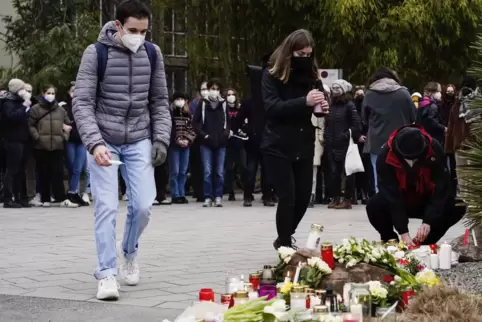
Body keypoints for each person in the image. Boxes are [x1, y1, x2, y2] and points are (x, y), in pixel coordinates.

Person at [73, 0, 171, 300]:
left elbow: (159, 101)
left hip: (139, 137)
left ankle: (128, 252)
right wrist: (94, 143)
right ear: (118, 26)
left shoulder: (153, 54)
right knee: (106, 206)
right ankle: (106, 274)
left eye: (144, 31)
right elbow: (82, 102)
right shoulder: (96, 53)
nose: (138, 36)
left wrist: (161, 139)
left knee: (143, 206)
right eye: (132, 30)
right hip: (104, 138)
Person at [262, 29, 328, 249]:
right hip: (277, 143)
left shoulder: (312, 75)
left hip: (304, 142)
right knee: (287, 197)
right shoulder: (272, 75)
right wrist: (304, 102)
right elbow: (272, 109)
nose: (305, 58)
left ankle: (284, 235)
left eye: (309, 53)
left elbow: (316, 103)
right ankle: (285, 246)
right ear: (290, 52)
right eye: (301, 53)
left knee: (302, 199)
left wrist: (321, 107)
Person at [366, 125, 466, 245]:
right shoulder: (385, 155)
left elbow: (441, 188)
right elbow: (391, 196)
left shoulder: (434, 148)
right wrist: (403, 232)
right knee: (374, 205)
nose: (412, 162)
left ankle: (425, 242)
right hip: (401, 200)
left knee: (457, 206)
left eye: (416, 158)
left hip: (425, 199)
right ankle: (390, 241)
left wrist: (428, 222)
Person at [362, 67, 416, 193]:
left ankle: (381, 205)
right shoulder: (404, 93)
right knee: (401, 174)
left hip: (376, 142)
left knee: (378, 174)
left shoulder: (369, 95)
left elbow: (364, 119)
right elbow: (414, 116)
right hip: (401, 141)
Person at [28, 85, 78, 208]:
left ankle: (61, 198)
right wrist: (37, 137)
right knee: (43, 172)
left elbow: (68, 124)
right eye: (48, 93)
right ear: (43, 93)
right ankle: (45, 198)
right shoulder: (36, 109)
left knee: (58, 172)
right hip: (41, 145)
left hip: (57, 145)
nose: (51, 95)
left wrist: (64, 137)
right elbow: (30, 125)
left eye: (53, 93)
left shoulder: (60, 110)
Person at [324, 79, 362, 209]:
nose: (334, 90)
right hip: (331, 145)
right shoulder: (331, 106)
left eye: (337, 88)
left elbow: (357, 125)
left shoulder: (349, 105)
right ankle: (335, 198)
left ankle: (347, 199)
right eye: (333, 88)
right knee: (334, 173)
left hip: (345, 145)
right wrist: (326, 136)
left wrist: (346, 135)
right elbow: (327, 123)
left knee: (348, 173)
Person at [192, 78, 230, 208]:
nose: (214, 91)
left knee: (219, 171)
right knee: (207, 171)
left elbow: (228, 122)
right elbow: (195, 123)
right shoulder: (202, 104)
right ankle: (208, 197)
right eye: (212, 89)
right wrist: (204, 135)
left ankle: (218, 196)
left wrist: (225, 134)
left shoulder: (223, 104)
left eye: (217, 89)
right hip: (206, 142)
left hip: (221, 142)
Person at [1, 79, 32, 208]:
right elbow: (12, 117)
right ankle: (8, 198)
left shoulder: (18, 102)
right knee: (12, 170)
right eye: (22, 89)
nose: (25, 91)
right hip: (13, 140)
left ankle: (18, 197)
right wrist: (24, 106)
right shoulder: (8, 102)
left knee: (20, 170)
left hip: (22, 139)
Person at [62, 82, 89, 206]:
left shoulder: (85, 106)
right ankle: (72, 192)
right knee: (72, 167)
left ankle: (73, 192)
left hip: (82, 141)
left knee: (78, 169)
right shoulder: (64, 107)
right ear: (69, 92)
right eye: (73, 90)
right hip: (70, 140)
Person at [169, 92, 196, 204]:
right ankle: (175, 194)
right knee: (174, 170)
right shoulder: (170, 114)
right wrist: (177, 140)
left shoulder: (188, 114)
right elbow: (170, 130)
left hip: (186, 145)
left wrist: (188, 140)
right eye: (177, 99)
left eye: (182, 99)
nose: (180, 101)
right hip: (174, 145)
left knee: (183, 171)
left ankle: (181, 193)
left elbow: (192, 129)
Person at [223, 87, 246, 201]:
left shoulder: (240, 108)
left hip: (239, 141)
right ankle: (230, 192)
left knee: (243, 166)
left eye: (233, 94)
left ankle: (246, 190)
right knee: (229, 168)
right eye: (228, 94)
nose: (231, 97)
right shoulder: (223, 109)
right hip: (228, 142)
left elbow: (244, 122)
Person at [188, 81, 208, 202]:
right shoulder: (194, 104)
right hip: (196, 138)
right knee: (196, 166)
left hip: (208, 138)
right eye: (203, 89)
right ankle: (198, 191)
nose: (205, 91)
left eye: (207, 89)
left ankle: (207, 191)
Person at [353, 85, 371, 203]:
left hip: (367, 141)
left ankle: (365, 193)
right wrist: (357, 136)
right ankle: (356, 193)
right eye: (357, 95)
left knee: (366, 169)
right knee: (355, 169)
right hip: (355, 142)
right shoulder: (353, 107)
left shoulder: (368, 108)